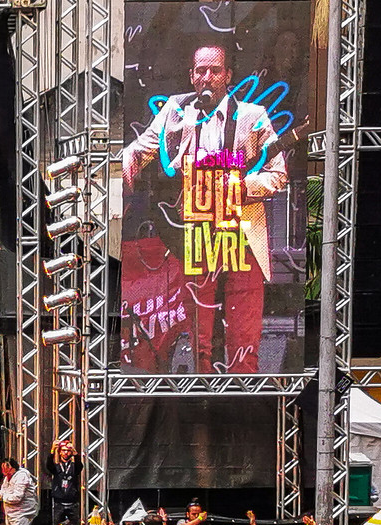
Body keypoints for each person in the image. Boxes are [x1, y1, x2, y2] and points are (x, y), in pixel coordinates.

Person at [118, 44, 288, 374]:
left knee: (244, 335)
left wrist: (240, 187)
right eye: (199, 71)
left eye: (214, 71)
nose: (206, 77)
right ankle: (201, 394)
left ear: (227, 75)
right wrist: (126, 163)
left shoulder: (252, 117)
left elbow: (278, 173)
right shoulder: (174, 110)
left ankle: (243, 398)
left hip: (241, 237)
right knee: (199, 338)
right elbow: (139, 151)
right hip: (195, 235)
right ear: (191, 75)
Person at [0, 459, 38, 525]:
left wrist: (3, 497)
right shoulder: (7, 478)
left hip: (22, 512)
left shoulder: (22, 476)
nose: (3, 469)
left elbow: (17, 497)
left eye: (6, 467)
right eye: (2, 467)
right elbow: (4, 491)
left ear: (12, 467)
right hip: (10, 513)